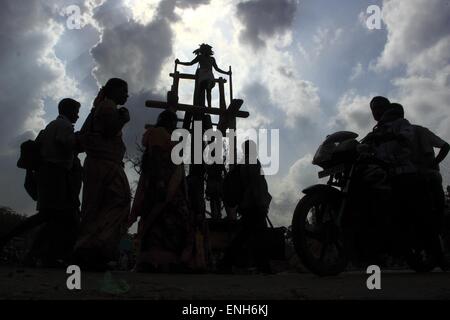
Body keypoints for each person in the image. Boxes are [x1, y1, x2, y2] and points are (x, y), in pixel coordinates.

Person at [0, 98, 82, 267]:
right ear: (68, 111)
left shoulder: (50, 126)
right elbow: (63, 142)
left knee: (53, 217)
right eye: (76, 111)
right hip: (56, 173)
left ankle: (36, 256)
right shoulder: (64, 127)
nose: (77, 115)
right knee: (53, 216)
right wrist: (78, 142)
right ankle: (13, 242)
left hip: (48, 173)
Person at [129, 110, 198, 272]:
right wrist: (160, 183)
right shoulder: (159, 133)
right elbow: (156, 157)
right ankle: (157, 261)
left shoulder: (163, 135)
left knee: (167, 221)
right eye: (173, 122)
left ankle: (165, 260)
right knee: (164, 219)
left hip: (169, 185)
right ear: (166, 121)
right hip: (163, 185)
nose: (175, 125)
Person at [73, 78, 131, 271]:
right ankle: (94, 246)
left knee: (94, 207)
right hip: (105, 164)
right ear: (113, 90)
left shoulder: (100, 106)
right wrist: (122, 118)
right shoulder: (107, 107)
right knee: (119, 202)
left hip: (98, 163)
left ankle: (89, 251)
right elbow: (109, 130)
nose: (127, 95)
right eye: (124, 90)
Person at [219, 140, 272, 274]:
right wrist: (261, 204)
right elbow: (256, 186)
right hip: (253, 205)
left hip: (246, 205)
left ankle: (226, 263)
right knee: (259, 236)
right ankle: (263, 266)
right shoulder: (253, 162)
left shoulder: (243, 164)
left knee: (246, 235)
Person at [176, 43, 231, 108]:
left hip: (208, 77)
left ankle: (208, 105)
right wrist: (179, 63)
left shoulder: (211, 59)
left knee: (207, 90)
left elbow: (217, 69)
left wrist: (226, 73)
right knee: (204, 91)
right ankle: (204, 105)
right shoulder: (201, 57)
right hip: (205, 77)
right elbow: (190, 63)